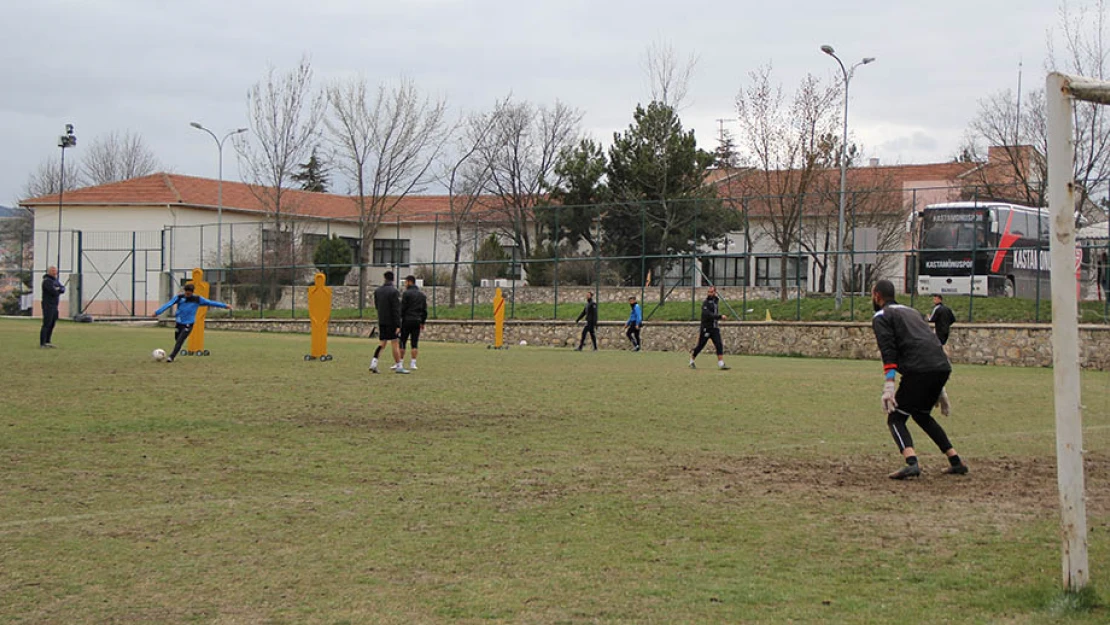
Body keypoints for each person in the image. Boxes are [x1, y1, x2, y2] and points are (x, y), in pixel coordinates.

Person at [871, 279, 967, 479]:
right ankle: (955, 461)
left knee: (896, 418)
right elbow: (930, 342)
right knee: (921, 415)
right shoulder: (912, 312)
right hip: (941, 366)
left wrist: (889, 385)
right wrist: (940, 388)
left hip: (920, 370)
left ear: (877, 296)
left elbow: (888, 351)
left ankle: (911, 462)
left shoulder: (882, 316)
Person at [152, 283, 231, 362]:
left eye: (189, 293)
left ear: (192, 292)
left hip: (189, 323)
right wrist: (157, 312)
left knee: (180, 340)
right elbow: (168, 304)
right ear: (185, 291)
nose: (187, 295)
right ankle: (175, 351)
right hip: (179, 322)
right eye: (186, 293)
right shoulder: (179, 298)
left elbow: (211, 302)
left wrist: (224, 305)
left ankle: (171, 357)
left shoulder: (197, 299)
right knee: (177, 338)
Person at [370, 271, 408, 374]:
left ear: (384, 278)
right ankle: (399, 366)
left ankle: (374, 363)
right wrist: (398, 324)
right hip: (391, 321)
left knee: (382, 343)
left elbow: (377, 306)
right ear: (393, 279)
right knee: (395, 343)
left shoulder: (378, 291)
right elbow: (396, 309)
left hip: (382, 320)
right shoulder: (394, 292)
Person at [689, 286, 730, 370]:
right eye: (709, 292)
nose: (710, 293)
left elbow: (714, 313)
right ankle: (691, 361)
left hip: (714, 328)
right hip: (706, 328)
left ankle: (721, 363)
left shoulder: (716, 301)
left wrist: (719, 318)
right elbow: (708, 314)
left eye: (711, 292)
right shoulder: (705, 303)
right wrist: (720, 316)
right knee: (700, 346)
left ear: (715, 292)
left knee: (719, 344)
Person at [399, 275, 427, 370]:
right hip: (417, 321)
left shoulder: (406, 294)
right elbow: (424, 310)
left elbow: (403, 308)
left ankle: (400, 363)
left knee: (403, 341)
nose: (405, 284)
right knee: (414, 343)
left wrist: (400, 320)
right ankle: (413, 363)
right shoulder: (422, 295)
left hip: (407, 320)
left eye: (406, 282)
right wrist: (422, 322)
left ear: (409, 282)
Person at [40, 266, 65, 348]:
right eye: (53, 271)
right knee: (47, 324)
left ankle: (48, 341)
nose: (55, 272)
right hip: (48, 305)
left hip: (55, 305)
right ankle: (43, 343)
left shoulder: (55, 281)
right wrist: (58, 290)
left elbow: (62, 288)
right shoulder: (47, 281)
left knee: (52, 323)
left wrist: (59, 289)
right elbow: (53, 292)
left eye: (55, 270)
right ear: (49, 271)